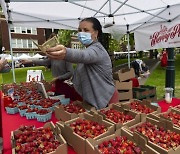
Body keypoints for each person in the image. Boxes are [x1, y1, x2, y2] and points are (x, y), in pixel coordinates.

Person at [46, 17, 118, 109]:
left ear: (96, 33)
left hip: (106, 99)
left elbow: (83, 55)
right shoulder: (89, 48)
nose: (81, 33)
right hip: (94, 99)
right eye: (79, 30)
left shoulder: (97, 50)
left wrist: (66, 52)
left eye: (86, 30)